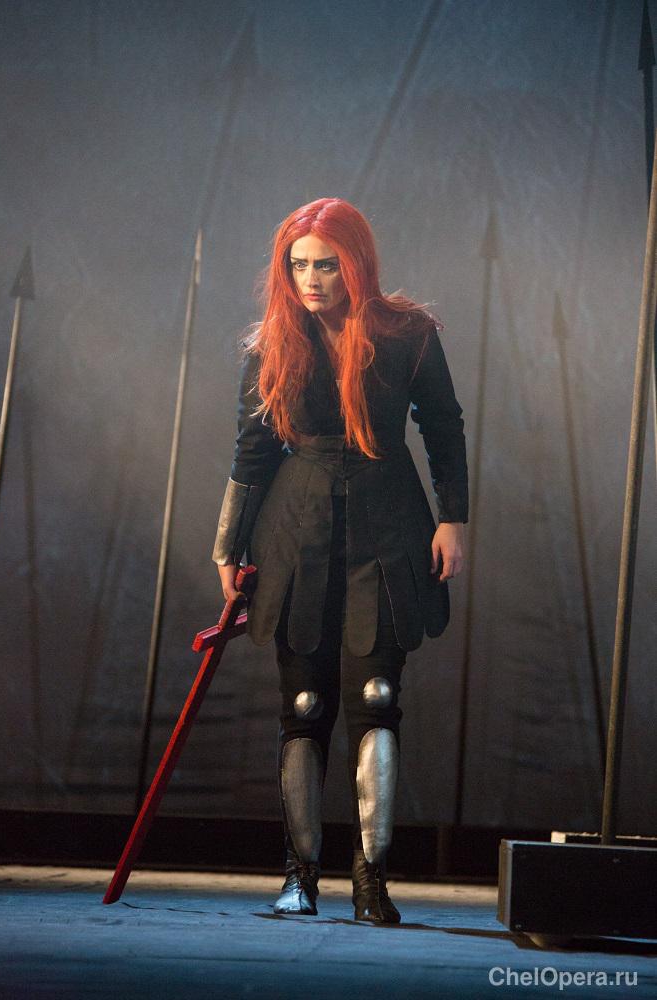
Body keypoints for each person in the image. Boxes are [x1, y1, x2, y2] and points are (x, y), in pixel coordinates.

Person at [212, 197, 468, 924]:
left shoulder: (409, 334)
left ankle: (370, 879)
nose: (311, 280)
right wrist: (228, 543)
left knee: (377, 698)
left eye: (326, 265)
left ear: (355, 264)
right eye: (298, 266)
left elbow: (442, 423)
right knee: (304, 705)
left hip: (389, 523)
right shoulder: (272, 343)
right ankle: (300, 876)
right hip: (296, 530)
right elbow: (251, 450)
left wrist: (453, 517)